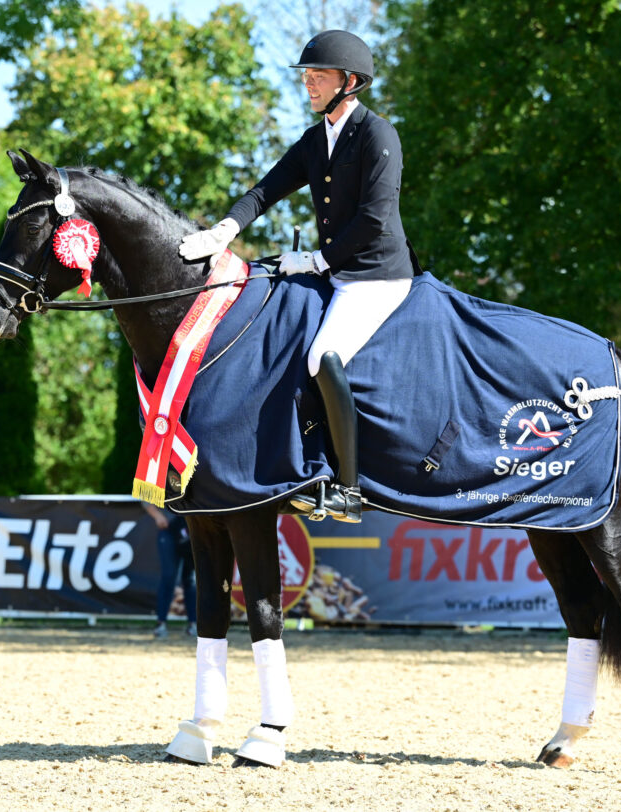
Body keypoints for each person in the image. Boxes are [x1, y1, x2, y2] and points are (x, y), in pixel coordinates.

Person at [178, 30, 418, 523]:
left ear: (349, 82)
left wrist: (317, 261)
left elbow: (374, 219)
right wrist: (223, 231)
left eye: (318, 76)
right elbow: (266, 190)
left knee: (320, 355)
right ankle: (303, 465)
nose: (308, 84)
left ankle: (348, 489)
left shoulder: (378, 135)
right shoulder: (316, 140)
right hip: (337, 271)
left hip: (375, 277)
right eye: (306, 76)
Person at [145, 502, 196, 637]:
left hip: (192, 527)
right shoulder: (161, 479)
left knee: (191, 578)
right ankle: (161, 623)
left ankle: (194, 624)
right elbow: (143, 493)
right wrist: (157, 516)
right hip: (168, 527)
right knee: (169, 576)